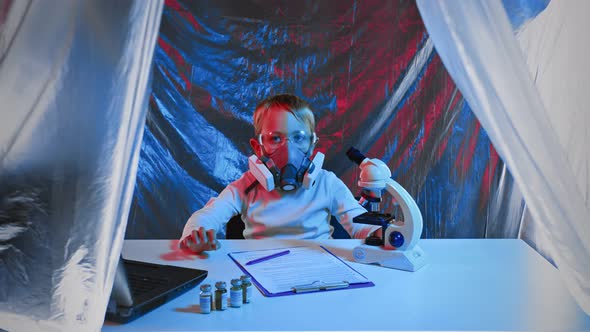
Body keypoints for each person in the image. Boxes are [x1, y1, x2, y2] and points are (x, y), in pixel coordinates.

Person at [179, 94, 379, 254]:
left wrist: (380, 232)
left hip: (319, 265)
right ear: (258, 147)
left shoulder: (326, 183)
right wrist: (197, 234)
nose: (288, 149)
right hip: (260, 267)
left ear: (312, 144)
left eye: (299, 137)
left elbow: (359, 221)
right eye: (275, 138)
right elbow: (209, 215)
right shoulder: (247, 186)